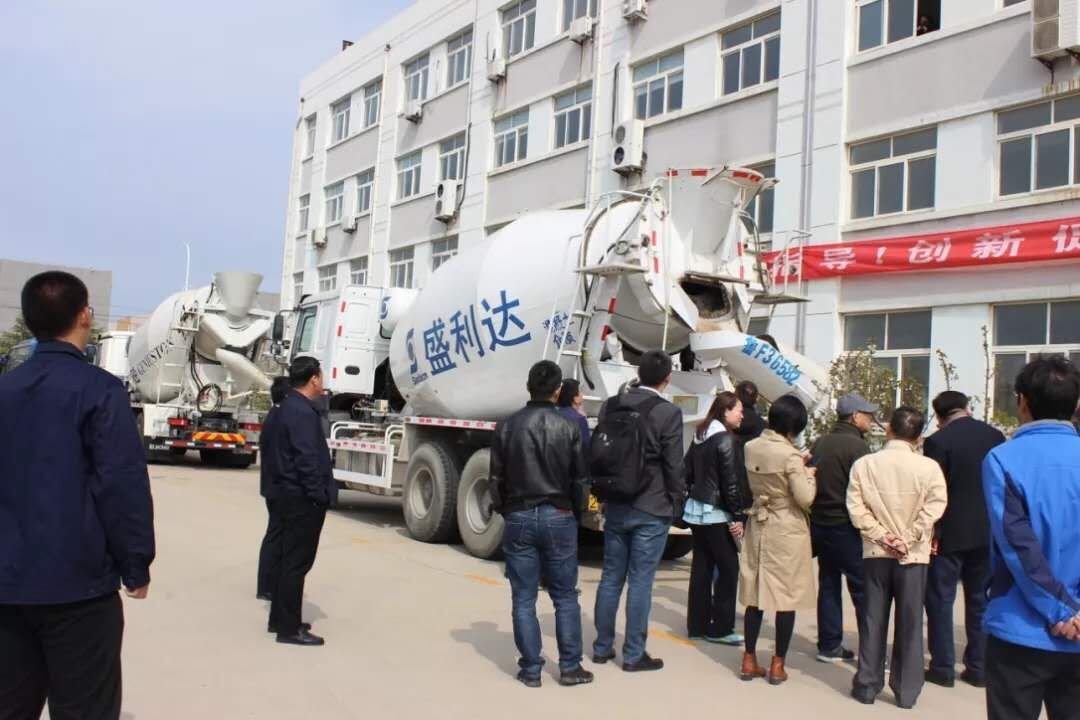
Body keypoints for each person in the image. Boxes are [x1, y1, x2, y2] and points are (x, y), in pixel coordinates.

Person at [0, 271, 155, 719]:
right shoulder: (100, 390)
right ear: (85, 315)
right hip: (78, 590)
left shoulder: (5, 390)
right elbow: (120, 484)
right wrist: (135, 563)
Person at [982, 356, 1080, 720]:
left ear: (1022, 402)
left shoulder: (1003, 459)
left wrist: (1062, 611)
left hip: (1021, 629)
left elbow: (1018, 546)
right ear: (1075, 404)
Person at [490, 360, 592, 688]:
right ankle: (570, 667)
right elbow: (581, 479)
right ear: (558, 391)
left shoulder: (507, 426)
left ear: (528, 387)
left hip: (519, 514)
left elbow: (495, 479)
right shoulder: (570, 426)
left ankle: (531, 670)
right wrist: (575, 513)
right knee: (565, 596)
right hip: (559, 514)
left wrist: (507, 510)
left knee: (523, 598)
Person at [847, 406, 947, 709]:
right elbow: (936, 506)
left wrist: (882, 536)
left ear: (889, 429)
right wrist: (909, 537)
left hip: (876, 552)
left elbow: (856, 508)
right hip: (913, 555)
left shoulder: (865, 464)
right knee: (910, 624)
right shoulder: (929, 468)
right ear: (918, 436)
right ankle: (906, 691)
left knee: (873, 619)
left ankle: (867, 684)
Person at [593, 350, 684, 672]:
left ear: (638, 373)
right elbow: (673, 464)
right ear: (667, 377)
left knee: (611, 577)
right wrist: (677, 502)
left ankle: (602, 647)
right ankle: (633, 654)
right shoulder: (668, 413)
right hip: (652, 505)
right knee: (641, 581)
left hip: (616, 501)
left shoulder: (610, 405)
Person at [922, 390, 1005, 689]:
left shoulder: (938, 442)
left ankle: (943, 668)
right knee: (980, 599)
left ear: (939, 415)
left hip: (949, 532)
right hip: (987, 530)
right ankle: (978, 668)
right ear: (966, 407)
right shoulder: (995, 436)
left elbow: (933, 490)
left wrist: (931, 530)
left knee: (941, 599)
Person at [738, 395, 816, 685]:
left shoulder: (751, 447)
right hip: (786, 526)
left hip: (758, 520)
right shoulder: (791, 456)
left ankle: (748, 659)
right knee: (786, 596)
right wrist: (809, 474)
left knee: (755, 594)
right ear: (794, 427)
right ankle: (778, 664)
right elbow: (805, 498)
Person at [263, 356, 336, 646]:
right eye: (321, 376)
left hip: (286, 494)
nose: (323, 382)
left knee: (287, 561)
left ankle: (280, 619)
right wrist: (318, 495)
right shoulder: (303, 412)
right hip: (301, 499)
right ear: (314, 379)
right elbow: (307, 459)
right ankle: (289, 629)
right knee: (296, 564)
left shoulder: (286, 407)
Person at [809, 394, 877, 663]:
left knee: (828, 583)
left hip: (820, 522)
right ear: (855, 416)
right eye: (868, 415)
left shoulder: (820, 443)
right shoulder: (858, 448)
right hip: (847, 525)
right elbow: (867, 490)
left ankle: (829, 645)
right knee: (863, 589)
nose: (871, 420)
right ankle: (871, 652)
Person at [683, 391, 752, 645]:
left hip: (697, 509)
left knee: (701, 567)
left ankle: (697, 625)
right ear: (725, 411)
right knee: (728, 569)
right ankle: (721, 628)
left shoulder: (700, 435)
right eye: (739, 411)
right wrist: (738, 516)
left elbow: (686, 471)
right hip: (717, 512)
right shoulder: (726, 440)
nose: (742, 415)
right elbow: (731, 483)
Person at [256, 376, 292, 601]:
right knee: (276, 535)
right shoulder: (280, 418)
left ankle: (267, 584)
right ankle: (267, 585)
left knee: (275, 534)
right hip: (279, 487)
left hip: (272, 485)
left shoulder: (273, 415)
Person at [556, 378, 591, 453]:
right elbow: (586, 447)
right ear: (575, 398)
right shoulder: (579, 419)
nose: (582, 394)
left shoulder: (552, 415)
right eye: (580, 391)